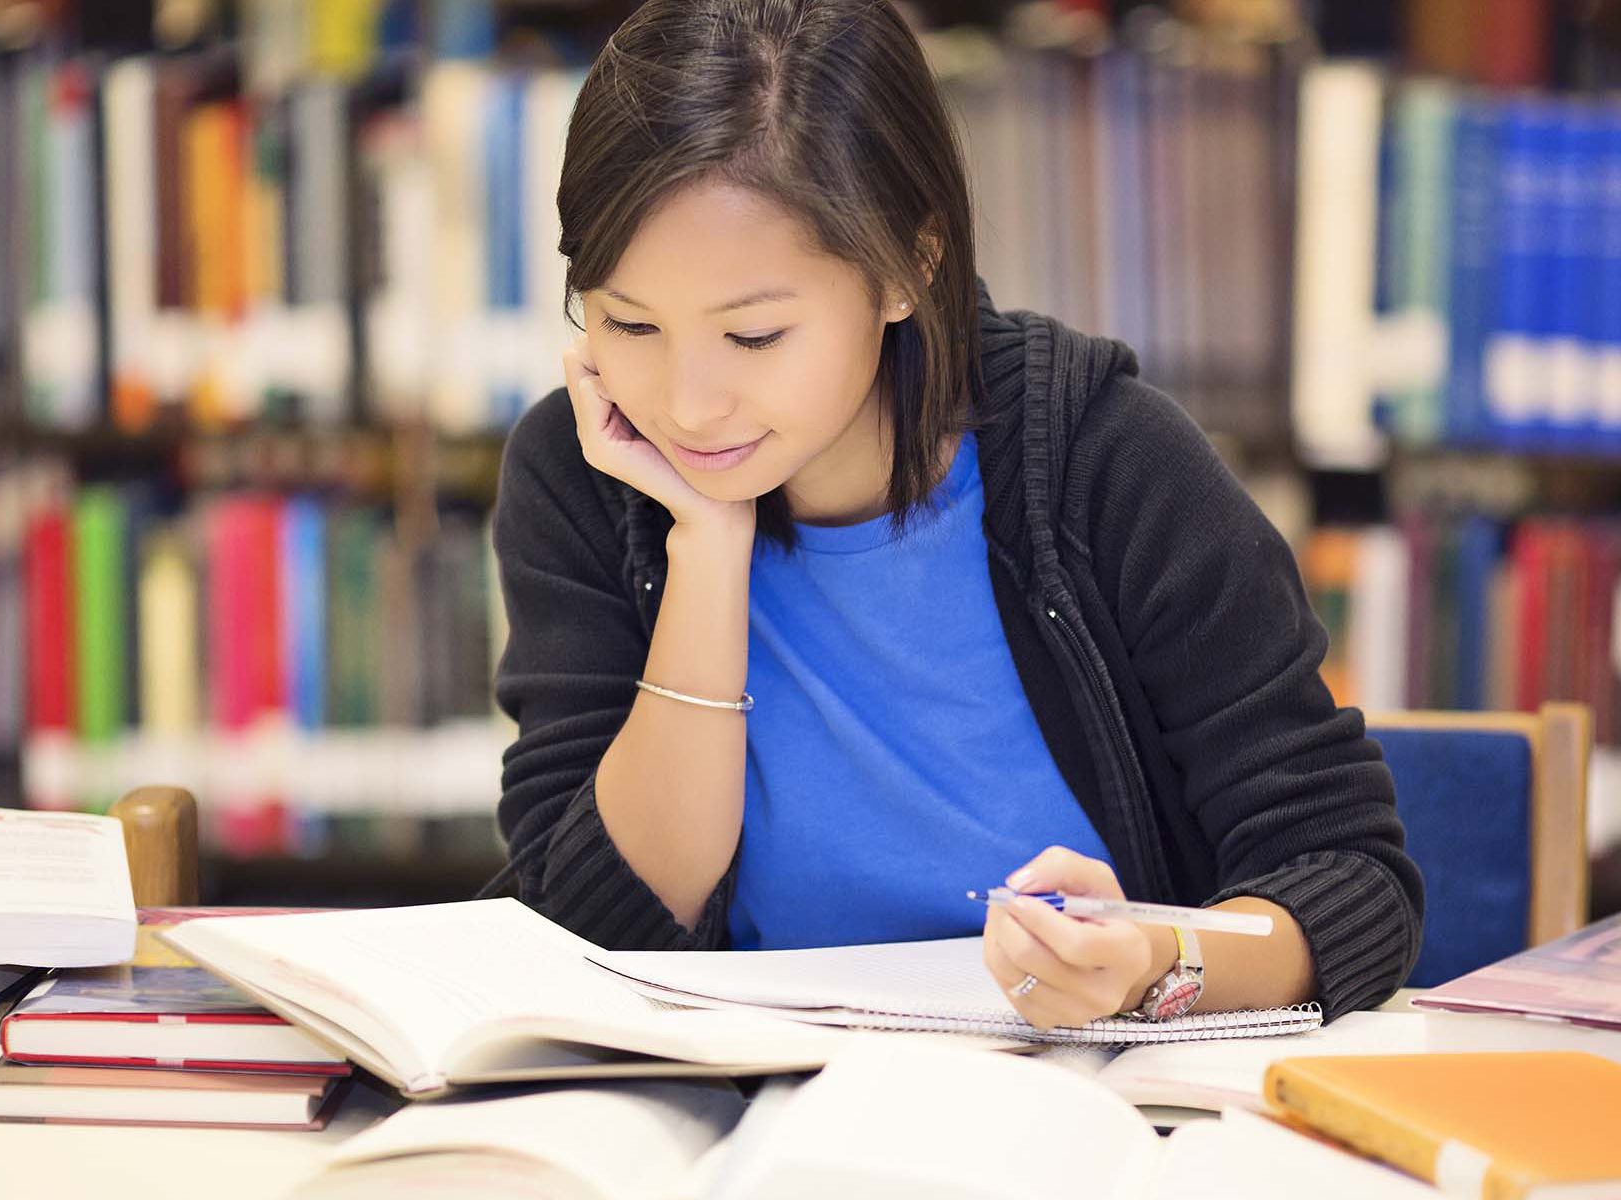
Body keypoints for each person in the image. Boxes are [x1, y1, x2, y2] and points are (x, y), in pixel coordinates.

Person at [488, 0, 1423, 1029]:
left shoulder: (1104, 462)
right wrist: (705, 543)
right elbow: (587, 922)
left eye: (752, 336)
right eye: (628, 322)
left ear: (905, 265)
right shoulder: (589, 473)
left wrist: (1155, 963)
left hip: (1089, 1108)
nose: (685, 404)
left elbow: (1350, 879)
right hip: (741, 1114)